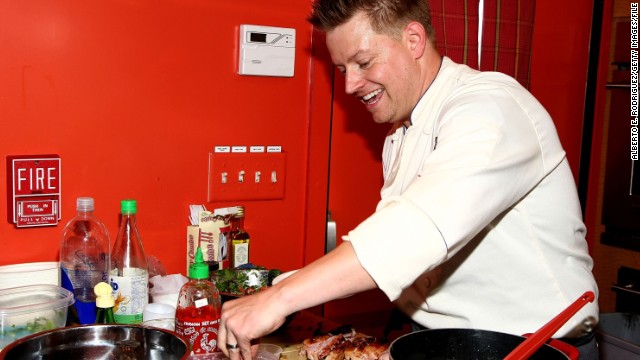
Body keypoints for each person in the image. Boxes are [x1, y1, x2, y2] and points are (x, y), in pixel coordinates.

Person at [218, 0, 600, 359]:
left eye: (363, 62)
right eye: (342, 70)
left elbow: (416, 230)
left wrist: (280, 297)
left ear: (413, 40)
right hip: (435, 340)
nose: (350, 84)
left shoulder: (490, 108)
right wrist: (272, 289)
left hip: (531, 346)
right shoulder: (401, 134)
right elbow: (396, 245)